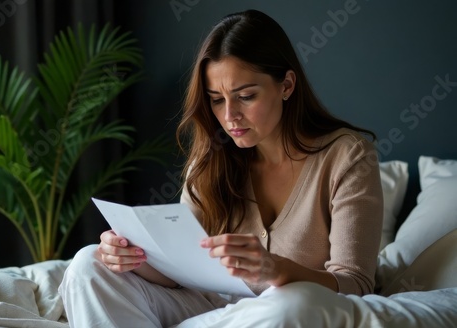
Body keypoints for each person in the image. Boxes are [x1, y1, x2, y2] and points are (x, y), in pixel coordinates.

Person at [59, 9, 383, 327]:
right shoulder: (211, 158)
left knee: (293, 302)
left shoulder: (347, 156)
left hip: (278, 312)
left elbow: (355, 284)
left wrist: (278, 270)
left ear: (286, 85)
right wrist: (130, 256)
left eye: (245, 96)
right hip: (205, 308)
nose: (230, 116)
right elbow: (181, 271)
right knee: (87, 263)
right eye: (216, 99)